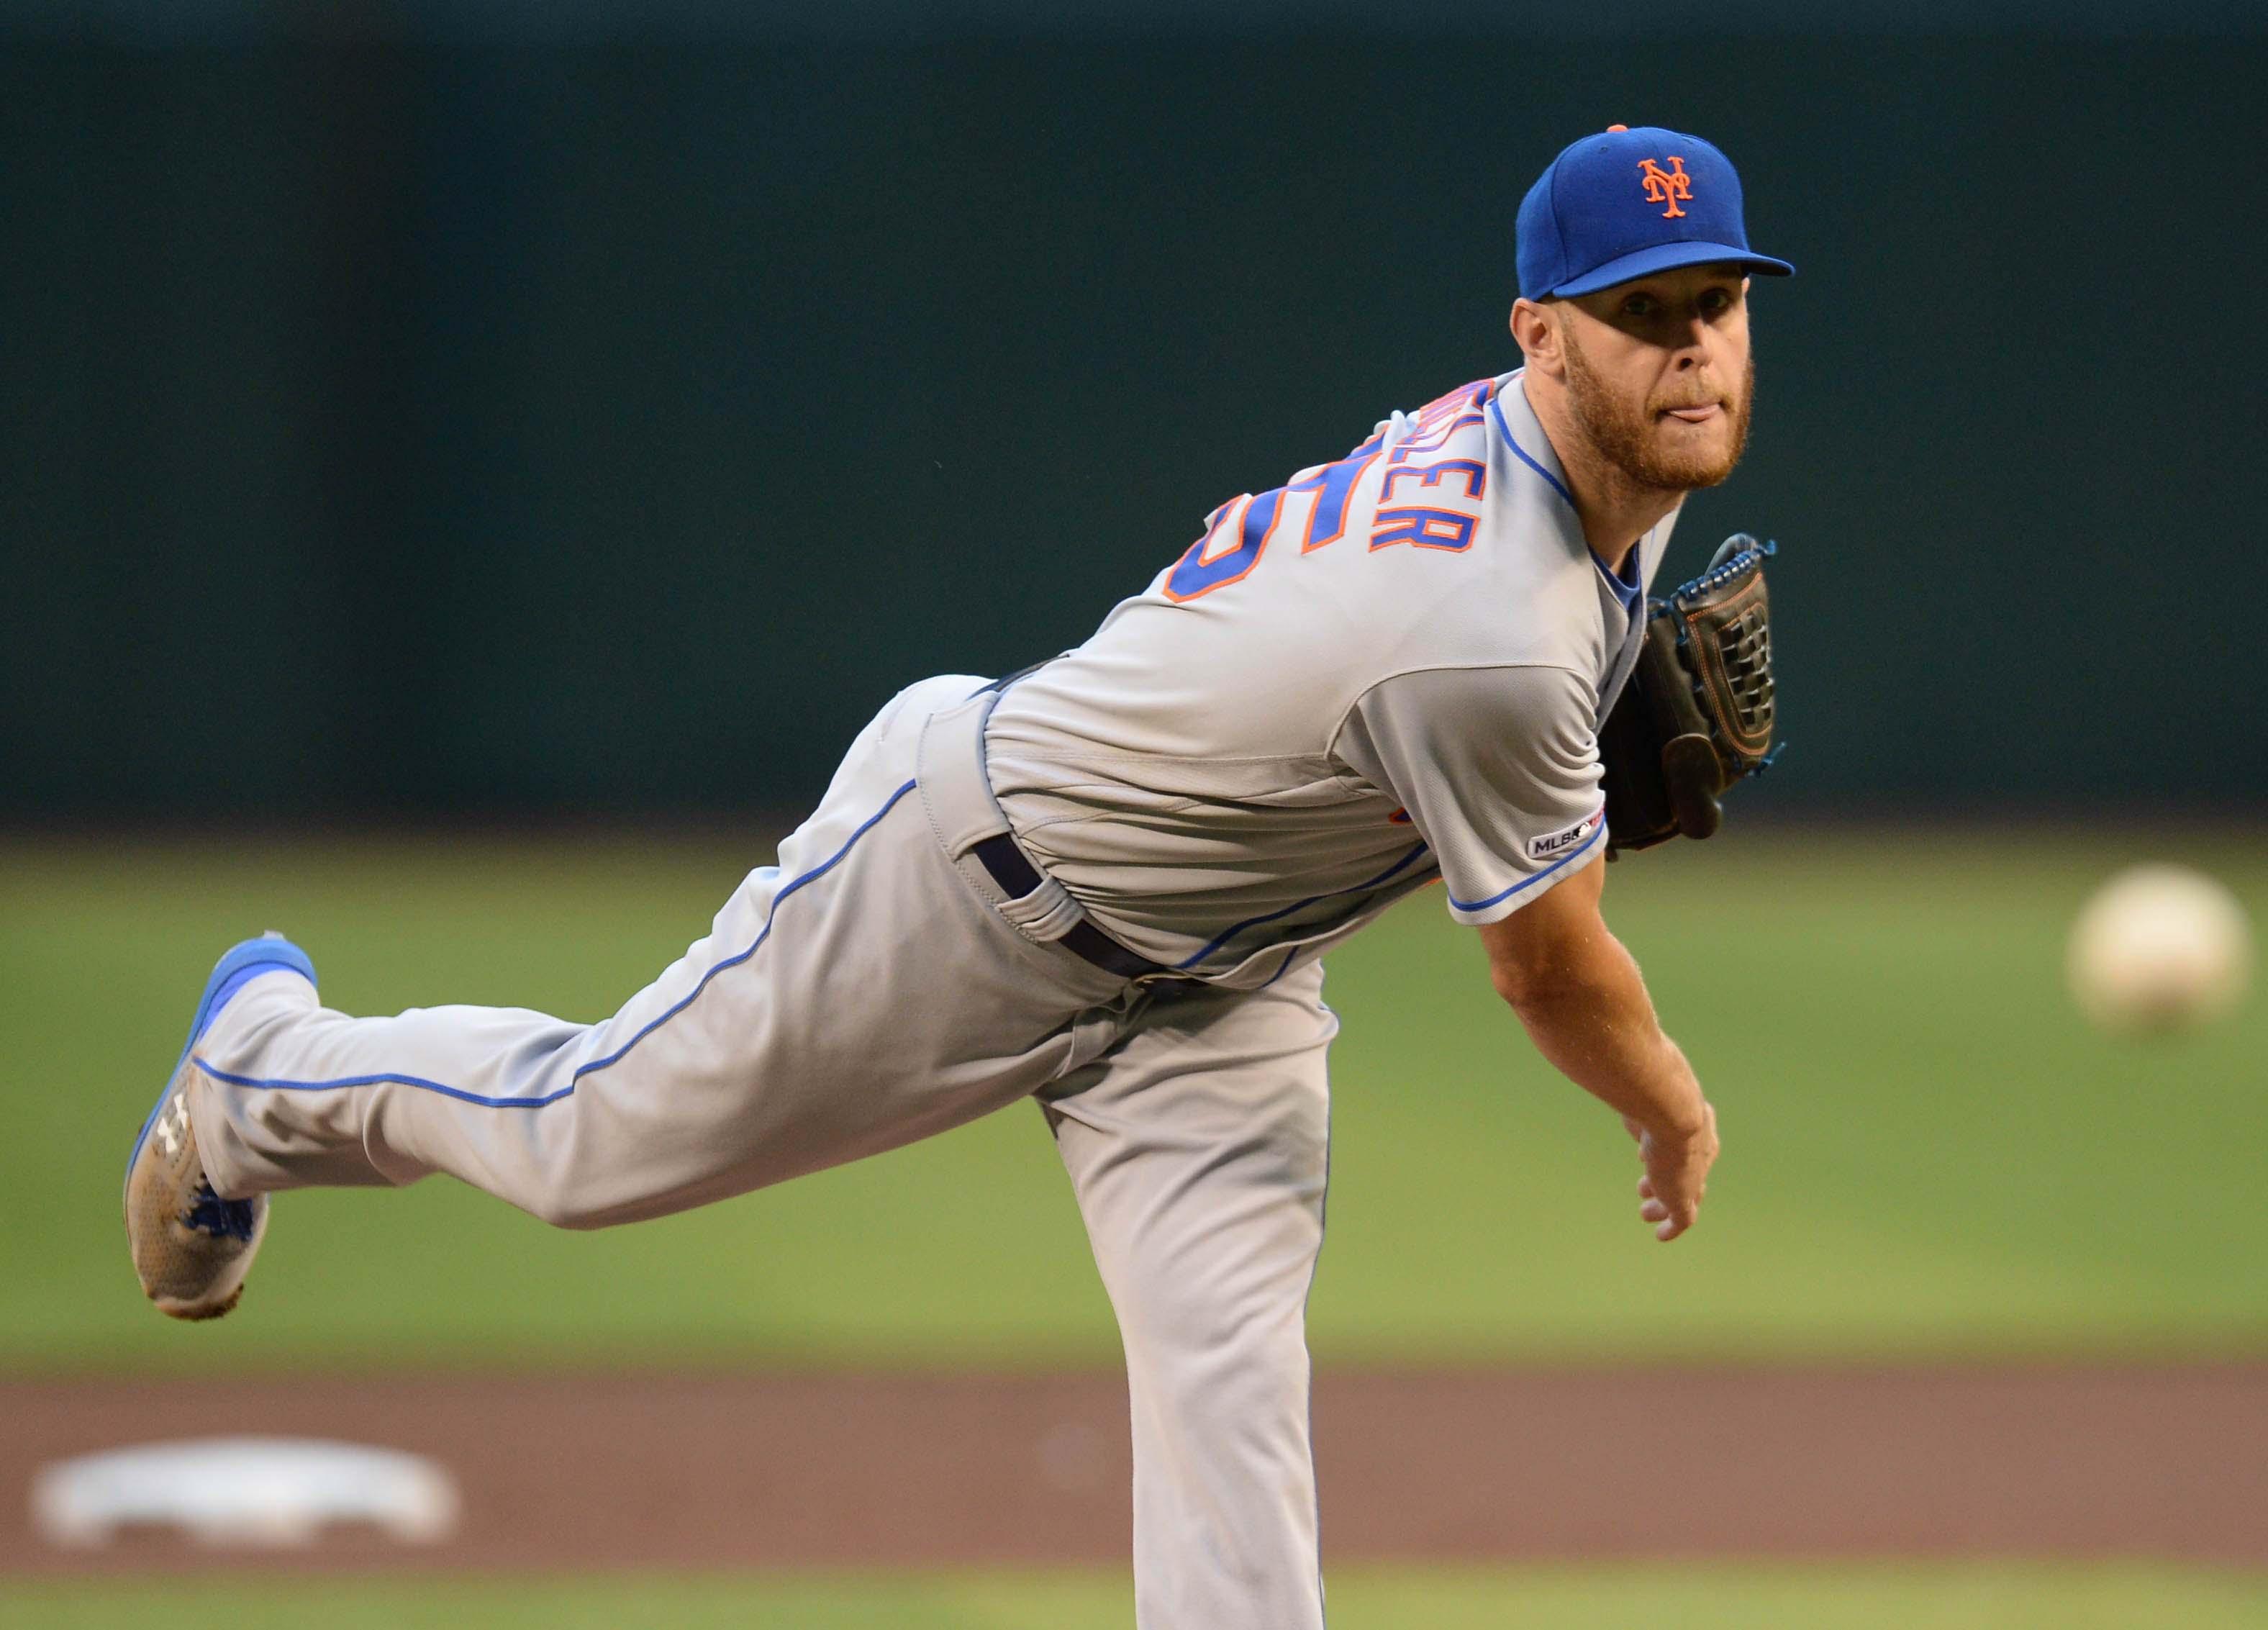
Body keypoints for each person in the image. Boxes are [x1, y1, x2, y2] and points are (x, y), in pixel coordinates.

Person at [125, 124, 1790, 1627]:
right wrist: (1667, 1107)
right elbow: (1548, 969)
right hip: (967, 881)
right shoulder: (1489, 638)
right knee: (586, 1141)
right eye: (1643, 311)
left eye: (1717, 299)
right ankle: (263, 1063)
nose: (1692, 345)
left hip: (1218, 978)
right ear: (1538, 333)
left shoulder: (1584, 475)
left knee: (1231, 1399)